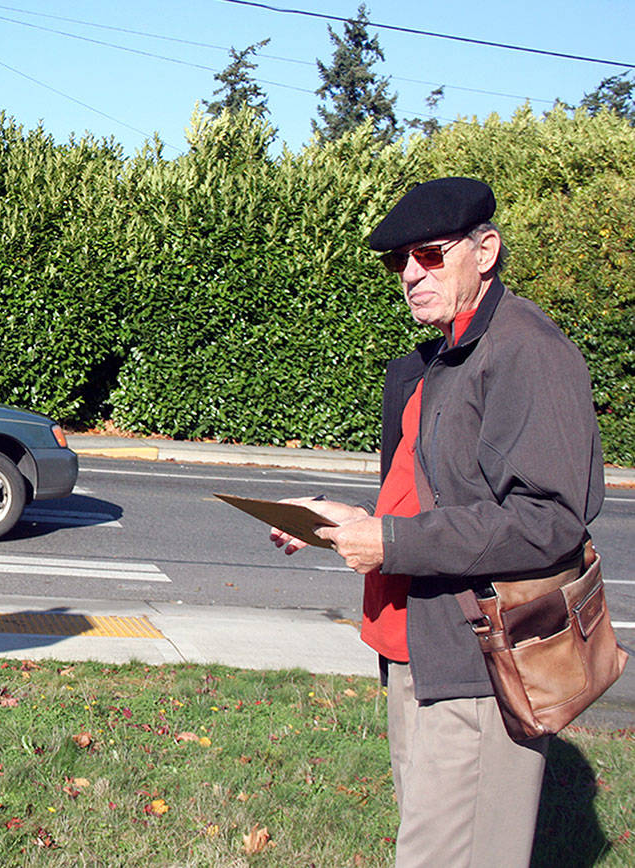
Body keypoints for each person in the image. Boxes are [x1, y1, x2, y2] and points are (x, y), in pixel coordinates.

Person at [270, 177, 605, 867]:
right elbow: (441, 497)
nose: (411, 275)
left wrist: (391, 541)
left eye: (429, 255)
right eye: (399, 263)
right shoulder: (437, 359)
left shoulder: (526, 352)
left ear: (486, 251)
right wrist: (351, 520)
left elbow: (548, 521)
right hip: (413, 647)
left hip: (481, 659)